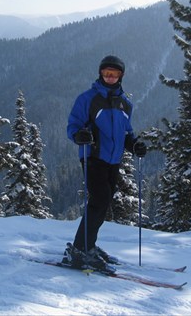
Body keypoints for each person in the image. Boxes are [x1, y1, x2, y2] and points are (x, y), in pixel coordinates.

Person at [62, 55, 147, 271]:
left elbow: (126, 132)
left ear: (121, 76)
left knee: (103, 201)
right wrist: (79, 135)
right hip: (93, 157)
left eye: (114, 74)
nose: (110, 77)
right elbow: (73, 126)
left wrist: (134, 144)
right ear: (100, 74)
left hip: (113, 159)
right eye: (106, 73)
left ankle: (88, 245)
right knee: (100, 199)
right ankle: (81, 250)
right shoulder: (88, 99)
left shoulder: (125, 104)